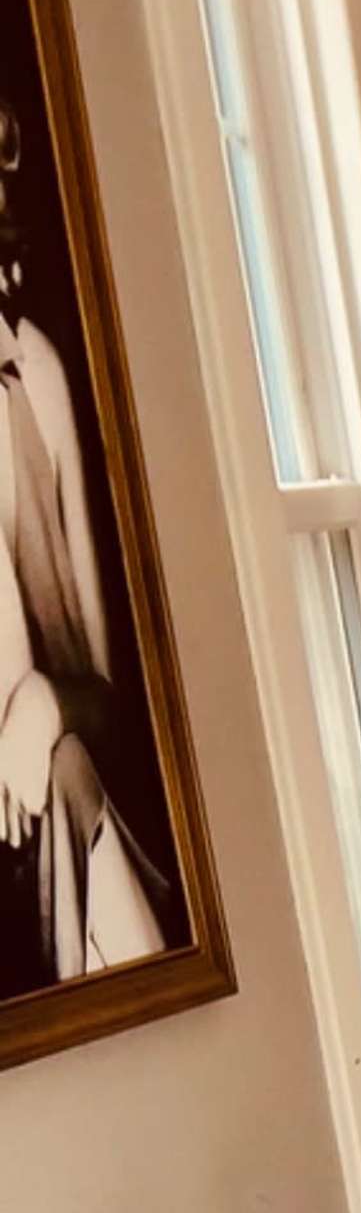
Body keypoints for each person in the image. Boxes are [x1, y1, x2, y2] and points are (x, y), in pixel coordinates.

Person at [0, 99, 173, 990]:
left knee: (71, 772)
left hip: (71, 827)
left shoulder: (34, 375)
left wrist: (45, 704)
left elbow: (112, 712)